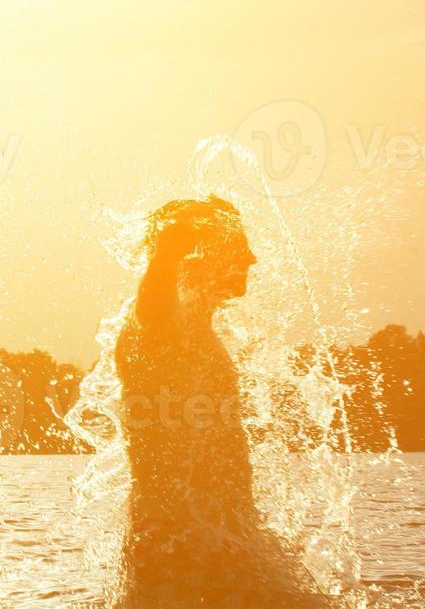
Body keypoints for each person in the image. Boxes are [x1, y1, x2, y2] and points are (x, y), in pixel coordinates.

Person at [113, 196, 314, 605]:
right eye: (240, 245)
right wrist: (167, 253)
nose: (252, 259)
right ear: (201, 251)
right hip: (183, 552)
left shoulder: (197, 325)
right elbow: (152, 313)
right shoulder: (166, 324)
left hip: (215, 543)